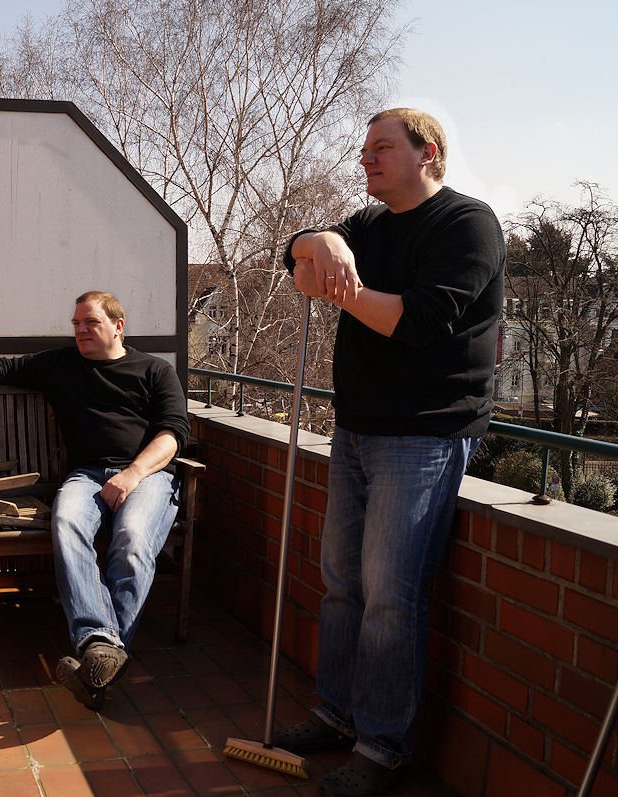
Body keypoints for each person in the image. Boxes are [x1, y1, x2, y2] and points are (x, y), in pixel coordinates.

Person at [272, 109, 505, 795]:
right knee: (342, 581)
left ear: (427, 153)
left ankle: (382, 745)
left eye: (383, 148)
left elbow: (420, 323)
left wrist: (338, 281)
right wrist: (320, 240)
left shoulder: (469, 224)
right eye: (364, 148)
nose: (367, 158)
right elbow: (294, 252)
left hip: (425, 434)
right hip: (357, 427)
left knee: (389, 598)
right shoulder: (369, 224)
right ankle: (336, 713)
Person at [0, 291, 190, 710]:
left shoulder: (155, 370)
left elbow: (173, 434)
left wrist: (131, 475)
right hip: (86, 477)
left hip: (148, 476)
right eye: (75, 324)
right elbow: (0, 367)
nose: (80, 331)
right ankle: (101, 648)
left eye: (89, 322)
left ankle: (97, 655)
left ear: (117, 326)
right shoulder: (62, 364)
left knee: (132, 537)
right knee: (67, 523)